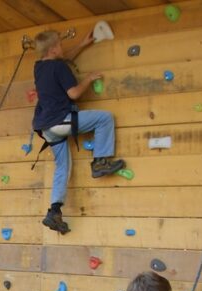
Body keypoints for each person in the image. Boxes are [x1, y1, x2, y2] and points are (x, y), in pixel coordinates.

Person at [32, 29, 126, 235]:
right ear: (54, 48)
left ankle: (54, 212)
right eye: (59, 44)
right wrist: (89, 78)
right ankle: (100, 162)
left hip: (46, 128)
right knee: (104, 118)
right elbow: (73, 93)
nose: (62, 47)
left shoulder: (39, 67)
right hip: (60, 121)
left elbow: (62, 61)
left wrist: (83, 44)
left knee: (62, 167)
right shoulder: (58, 67)